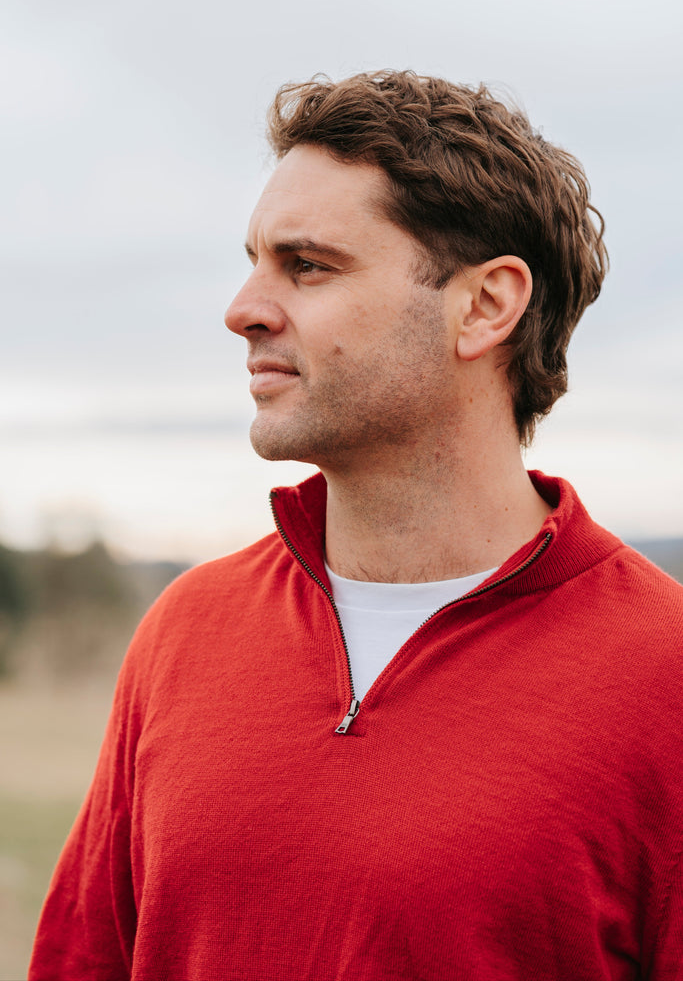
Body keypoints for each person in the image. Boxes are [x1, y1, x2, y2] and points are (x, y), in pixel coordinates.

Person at [30, 71, 683, 981]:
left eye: (307, 266)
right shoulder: (186, 629)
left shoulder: (665, 676)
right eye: (252, 260)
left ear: (486, 305)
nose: (243, 309)